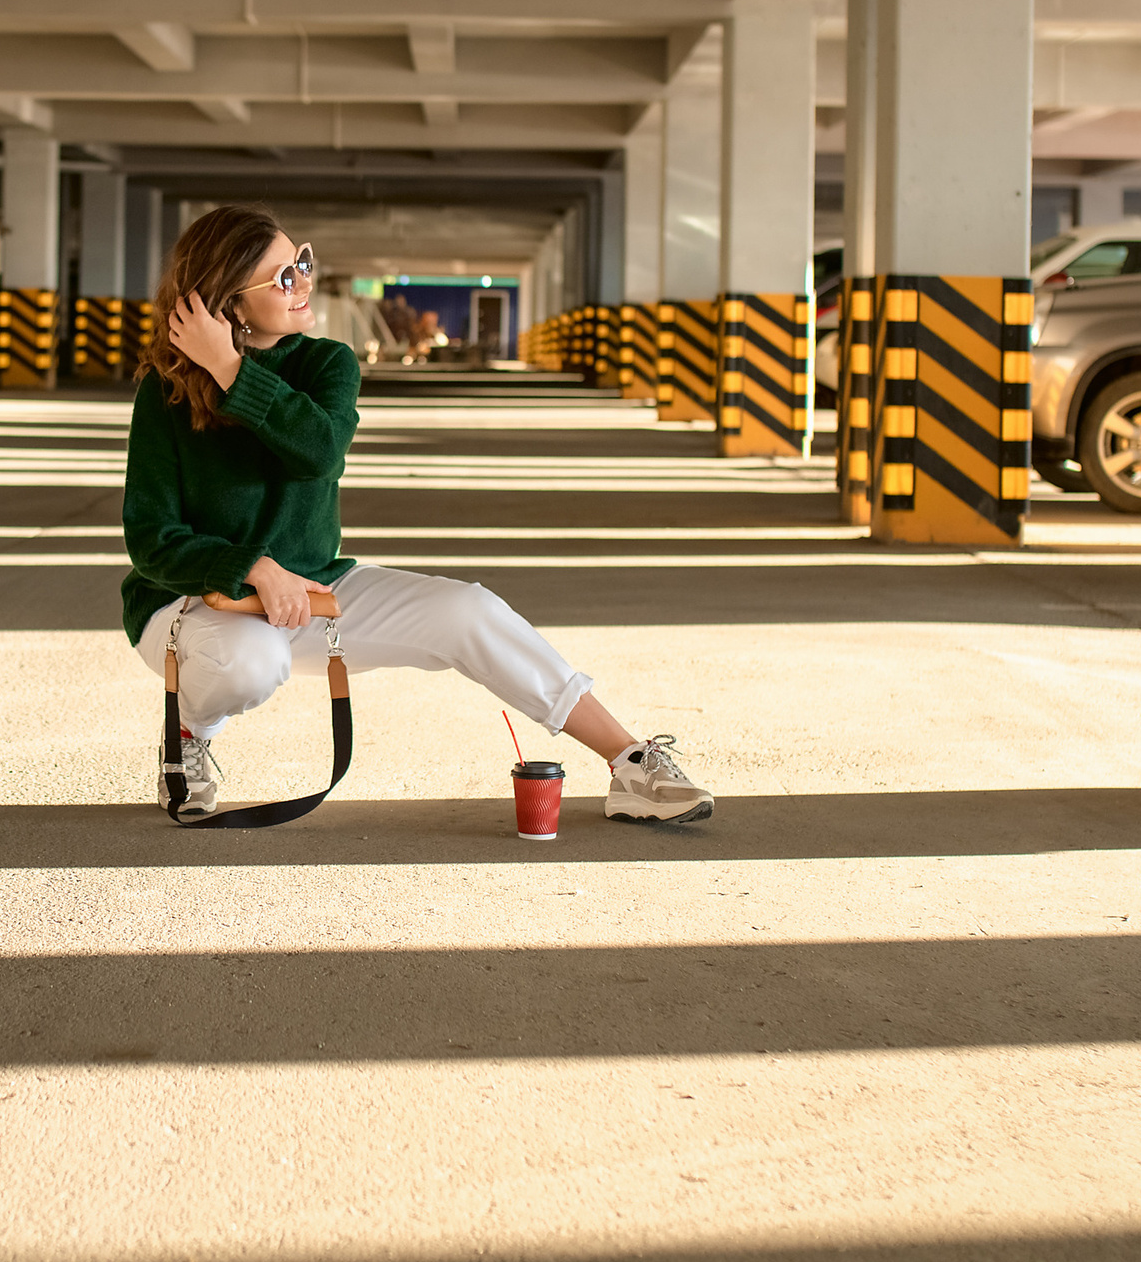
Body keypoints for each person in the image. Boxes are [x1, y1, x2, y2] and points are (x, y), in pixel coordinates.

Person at [119, 203, 713, 825]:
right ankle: (187, 732)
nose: (303, 282)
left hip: (313, 588)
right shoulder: (165, 395)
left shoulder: (326, 364)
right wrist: (252, 567)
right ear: (231, 304)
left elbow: (317, 452)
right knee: (252, 662)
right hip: (196, 606)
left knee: (470, 610)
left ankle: (629, 761)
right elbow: (152, 541)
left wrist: (233, 370)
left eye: (302, 262)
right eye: (282, 277)